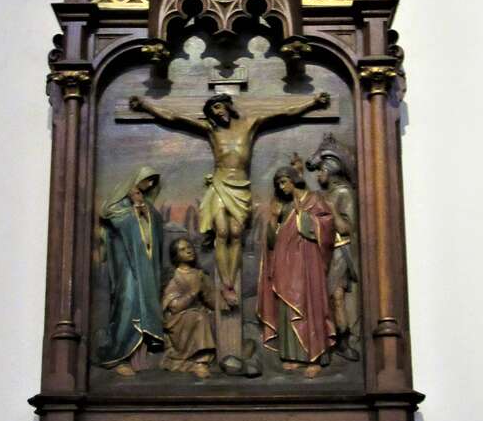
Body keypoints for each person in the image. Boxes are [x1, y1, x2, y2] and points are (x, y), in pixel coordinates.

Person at [129, 91, 329, 307]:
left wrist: (312, 103)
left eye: (218, 107)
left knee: (235, 233)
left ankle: (231, 280)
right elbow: (174, 117)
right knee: (222, 232)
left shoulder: (250, 125)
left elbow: (285, 113)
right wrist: (145, 106)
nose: (217, 113)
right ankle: (226, 282)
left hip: (241, 189)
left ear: (228, 106)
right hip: (220, 185)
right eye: (212, 111)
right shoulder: (212, 131)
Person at [257, 166, 336, 378]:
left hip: (308, 262)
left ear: (293, 180)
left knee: (309, 305)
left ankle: (315, 357)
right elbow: (272, 242)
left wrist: (303, 217)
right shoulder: (284, 208)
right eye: (278, 184)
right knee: (288, 306)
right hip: (286, 264)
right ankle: (293, 355)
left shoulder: (314, 200)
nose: (281, 188)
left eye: (283, 182)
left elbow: (327, 226)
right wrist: (274, 219)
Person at [98, 166, 164, 375]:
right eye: (148, 180)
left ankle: (139, 359)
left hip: (144, 268)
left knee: (142, 304)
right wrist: (135, 210)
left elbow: (155, 226)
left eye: (154, 181)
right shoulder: (119, 206)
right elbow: (114, 219)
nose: (151, 185)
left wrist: (143, 211)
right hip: (126, 267)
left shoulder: (147, 206)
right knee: (127, 304)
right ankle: (118, 355)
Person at [306, 134, 360, 362]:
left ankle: (343, 341)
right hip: (322, 252)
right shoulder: (325, 194)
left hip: (339, 252)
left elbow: (346, 228)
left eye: (321, 172)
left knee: (336, 297)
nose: (318, 176)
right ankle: (324, 342)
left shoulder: (344, 193)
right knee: (322, 298)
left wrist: (331, 209)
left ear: (331, 171)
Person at [161, 238, 217, 379]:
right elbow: (174, 307)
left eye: (189, 246)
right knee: (198, 316)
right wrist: (193, 293)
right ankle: (199, 361)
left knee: (204, 316)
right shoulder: (174, 277)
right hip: (177, 320)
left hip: (196, 314)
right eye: (182, 249)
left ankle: (205, 361)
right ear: (175, 255)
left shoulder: (200, 275)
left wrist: (220, 297)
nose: (189, 250)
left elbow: (212, 301)